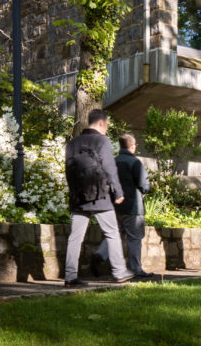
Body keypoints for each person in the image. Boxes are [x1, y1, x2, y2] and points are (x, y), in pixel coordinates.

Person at [64, 109, 131, 286]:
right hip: (100, 196)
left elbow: (68, 171)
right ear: (101, 123)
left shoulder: (72, 143)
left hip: (79, 197)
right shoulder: (102, 140)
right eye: (107, 125)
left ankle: (70, 277)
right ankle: (119, 272)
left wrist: (74, 194)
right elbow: (109, 168)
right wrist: (118, 192)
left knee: (75, 237)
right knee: (112, 233)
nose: (107, 129)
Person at [96, 133, 153, 279]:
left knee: (115, 235)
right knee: (134, 238)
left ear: (120, 146)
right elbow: (144, 185)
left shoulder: (112, 162)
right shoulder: (135, 163)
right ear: (133, 146)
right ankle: (136, 269)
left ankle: (100, 254)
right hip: (133, 208)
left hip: (115, 207)